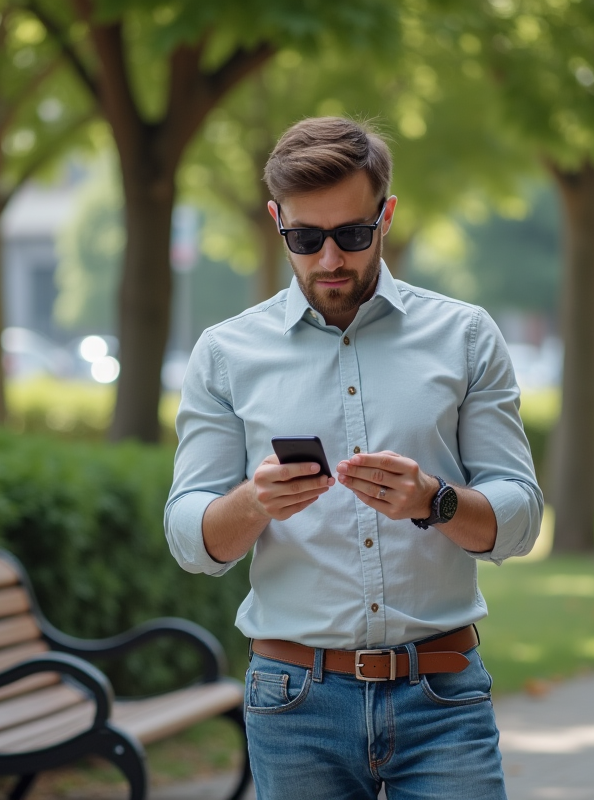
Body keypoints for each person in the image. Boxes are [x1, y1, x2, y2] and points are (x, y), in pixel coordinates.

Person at [165, 116, 543, 799]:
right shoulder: (226, 353)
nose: (331, 259)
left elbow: (519, 517)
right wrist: (255, 502)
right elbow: (189, 536)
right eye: (306, 239)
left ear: (387, 215)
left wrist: (437, 501)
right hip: (293, 702)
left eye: (353, 235)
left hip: (443, 695)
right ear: (277, 221)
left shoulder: (463, 336)